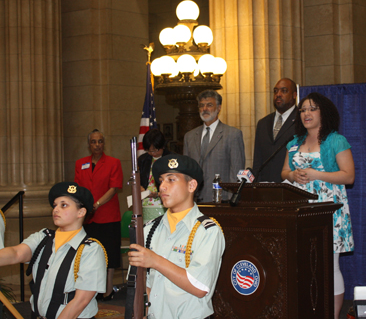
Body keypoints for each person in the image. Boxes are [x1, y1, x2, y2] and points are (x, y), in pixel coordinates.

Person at [281, 92, 354, 319]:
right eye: (303, 110)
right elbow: (283, 173)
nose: (306, 113)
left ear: (324, 112)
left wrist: (316, 174)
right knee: (301, 265)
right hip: (300, 210)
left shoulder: (335, 140)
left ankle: (331, 315)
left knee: (329, 266)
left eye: (312, 109)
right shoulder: (293, 143)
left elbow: (348, 176)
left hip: (329, 210)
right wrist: (293, 175)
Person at [128, 154, 225, 319]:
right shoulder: (149, 229)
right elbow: (138, 282)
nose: (162, 187)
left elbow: (199, 286)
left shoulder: (207, 231)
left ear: (191, 185)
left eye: (171, 180)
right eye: (161, 180)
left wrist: (155, 261)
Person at [0, 182, 107, 318]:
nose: (56, 209)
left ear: (81, 212)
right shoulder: (43, 238)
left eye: (64, 205)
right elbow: (16, 253)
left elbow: (81, 301)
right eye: (55, 205)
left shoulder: (90, 250)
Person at [75, 129, 123, 301]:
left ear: (104, 143)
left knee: (109, 255)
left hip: (108, 216)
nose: (97, 145)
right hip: (88, 217)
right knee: (90, 255)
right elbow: (78, 188)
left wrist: (97, 204)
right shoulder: (81, 163)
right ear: (89, 144)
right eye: (94, 142)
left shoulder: (113, 162)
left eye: (100, 141)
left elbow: (114, 187)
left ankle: (108, 291)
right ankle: (91, 291)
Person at [183, 89, 245, 202]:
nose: (205, 109)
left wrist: (232, 201)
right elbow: (186, 172)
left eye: (209, 105)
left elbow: (236, 171)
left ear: (219, 108)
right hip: (194, 201)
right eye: (201, 106)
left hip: (222, 199)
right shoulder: (189, 136)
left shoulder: (232, 134)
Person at [253, 78, 298, 182]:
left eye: (284, 91)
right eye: (275, 91)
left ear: (294, 95)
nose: (278, 94)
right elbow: (257, 159)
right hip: (265, 187)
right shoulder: (263, 123)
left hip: (291, 187)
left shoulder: (301, 121)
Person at [138, 129, 172, 222]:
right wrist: (140, 187)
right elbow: (139, 180)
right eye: (149, 151)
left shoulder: (171, 160)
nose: (153, 153)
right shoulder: (143, 160)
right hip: (146, 204)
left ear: (163, 146)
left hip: (165, 203)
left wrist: (157, 194)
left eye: (155, 150)